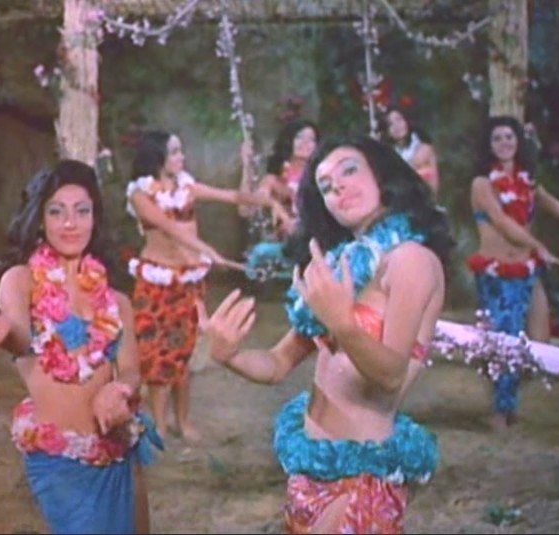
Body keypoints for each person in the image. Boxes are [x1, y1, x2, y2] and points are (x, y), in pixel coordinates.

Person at [199, 135, 453, 533]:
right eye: (326, 186)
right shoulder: (341, 267)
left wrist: (342, 324)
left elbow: (390, 376)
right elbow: (277, 363)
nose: (339, 188)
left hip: (360, 479)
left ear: (382, 174)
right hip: (310, 465)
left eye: (350, 170)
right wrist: (229, 354)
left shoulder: (411, 261)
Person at [0, 160, 160, 534]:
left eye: (82, 211)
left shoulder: (116, 300)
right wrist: (1, 330)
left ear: (95, 219)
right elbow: (21, 338)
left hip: (116, 457)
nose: (70, 223)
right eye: (56, 211)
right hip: (59, 464)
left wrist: (119, 389)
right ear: (40, 219)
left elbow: (131, 370)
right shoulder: (20, 281)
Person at [126, 129, 273, 443]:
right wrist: (207, 250)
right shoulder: (140, 194)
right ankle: (159, 425)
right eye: (175, 151)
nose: (182, 157)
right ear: (157, 157)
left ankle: (183, 422)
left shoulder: (187, 187)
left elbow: (234, 198)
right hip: (156, 285)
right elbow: (168, 227)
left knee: (186, 353)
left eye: (181, 150)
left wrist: (249, 172)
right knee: (157, 355)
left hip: (189, 284)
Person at [467, 115, 559, 430]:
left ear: (518, 142)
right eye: (497, 138)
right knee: (504, 342)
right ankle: (500, 410)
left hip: (527, 269)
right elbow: (502, 222)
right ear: (489, 145)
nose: (504, 143)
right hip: (497, 274)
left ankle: (507, 397)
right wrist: (539, 247)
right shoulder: (482, 184)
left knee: (540, 340)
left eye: (509, 137)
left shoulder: (528, 183)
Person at [238, 119, 319, 280]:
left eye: (312, 139)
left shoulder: (322, 175)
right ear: (289, 140)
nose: (306, 143)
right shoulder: (274, 181)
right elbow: (246, 210)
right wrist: (247, 167)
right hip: (288, 247)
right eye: (299, 137)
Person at [382, 106, 440, 194]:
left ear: (406, 121)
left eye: (399, 119)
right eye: (390, 124)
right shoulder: (389, 153)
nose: (396, 126)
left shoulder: (423, 148)